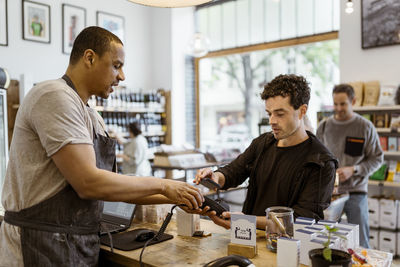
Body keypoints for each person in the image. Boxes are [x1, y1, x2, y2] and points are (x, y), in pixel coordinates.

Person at [0, 26, 203, 266]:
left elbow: (111, 187)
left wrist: (180, 195)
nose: (122, 76)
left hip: (76, 243)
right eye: (116, 65)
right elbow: (89, 183)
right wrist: (164, 184)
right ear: (89, 58)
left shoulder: (91, 114)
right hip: (39, 243)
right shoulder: (53, 96)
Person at [194, 74, 338, 230]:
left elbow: (302, 220)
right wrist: (215, 177)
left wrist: (248, 221)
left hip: (288, 247)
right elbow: (234, 171)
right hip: (248, 238)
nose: (272, 121)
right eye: (269, 113)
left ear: (302, 111)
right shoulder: (263, 143)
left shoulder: (321, 162)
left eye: (280, 114)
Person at [316, 83, 383, 248]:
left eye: (343, 104)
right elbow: (315, 158)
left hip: (356, 192)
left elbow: (377, 158)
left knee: (360, 242)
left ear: (353, 101)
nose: (338, 108)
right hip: (330, 194)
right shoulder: (324, 126)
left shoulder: (365, 127)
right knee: (326, 240)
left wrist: (354, 169)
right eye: (335, 104)